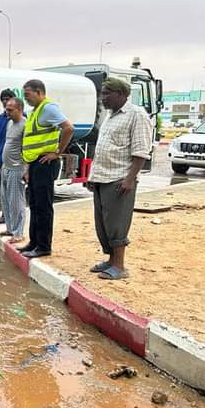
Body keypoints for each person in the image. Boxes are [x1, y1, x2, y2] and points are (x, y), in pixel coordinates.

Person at [87, 77, 152, 280]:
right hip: (102, 177)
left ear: (121, 94)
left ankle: (119, 266)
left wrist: (130, 179)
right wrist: (92, 176)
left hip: (119, 178)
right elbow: (103, 149)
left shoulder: (137, 115)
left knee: (117, 224)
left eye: (107, 93)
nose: (103, 98)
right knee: (103, 224)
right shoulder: (110, 116)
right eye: (102, 94)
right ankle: (110, 260)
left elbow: (141, 151)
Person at [18, 79, 74, 258]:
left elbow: (68, 128)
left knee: (43, 206)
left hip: (45, 163)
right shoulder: (34, 111)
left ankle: (43, 246)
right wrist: (28, 167)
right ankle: (34, 242)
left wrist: (57, 153)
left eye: (28, 95)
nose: (26, 99)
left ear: (39, 92)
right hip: (35, 163)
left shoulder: (48, 108)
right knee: (34, 204)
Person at [0, 97, 27, 243]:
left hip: (17, 169)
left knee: (16, 202)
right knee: (5, 200)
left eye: (10, 110)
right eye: (6, 109)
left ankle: (18, 233)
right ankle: (10, 228)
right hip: (6, 167)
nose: (6, 112)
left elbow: (26, 149)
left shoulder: (25, 125)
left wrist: (26, 169)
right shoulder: (10, 123)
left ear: (19, 109)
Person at [0, 89, 16, 224]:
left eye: (8, 99)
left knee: (13, 191)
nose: (5, 102)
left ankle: (13, 218)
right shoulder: (0, 118)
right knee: (2, 190)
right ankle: (5, 215)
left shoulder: (20, 118)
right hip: (0, 159)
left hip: (13, 161)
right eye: (3, 99)